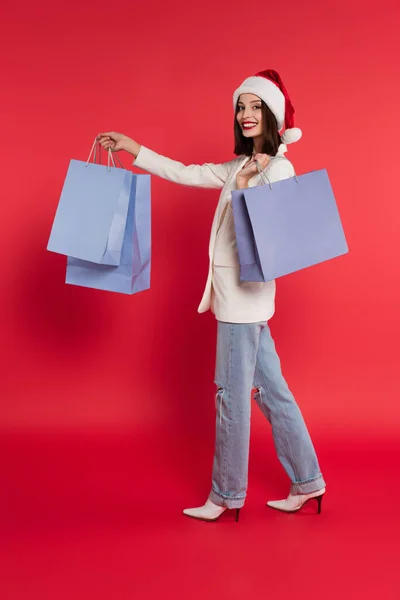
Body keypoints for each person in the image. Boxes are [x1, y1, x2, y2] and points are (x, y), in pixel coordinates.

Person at [97, 69, 326, 522]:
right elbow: (185, 172)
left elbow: (263, 242)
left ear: (273, 116)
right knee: (274, 394)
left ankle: (225, 495)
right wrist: (133, 147)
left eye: (256, 107)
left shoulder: (278, 169)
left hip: (244, 302)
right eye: (241, 106)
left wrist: (246, 189)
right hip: (244, 303)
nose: (245, 114)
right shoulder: (240, 165)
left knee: (231, 398)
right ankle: (308, 481)